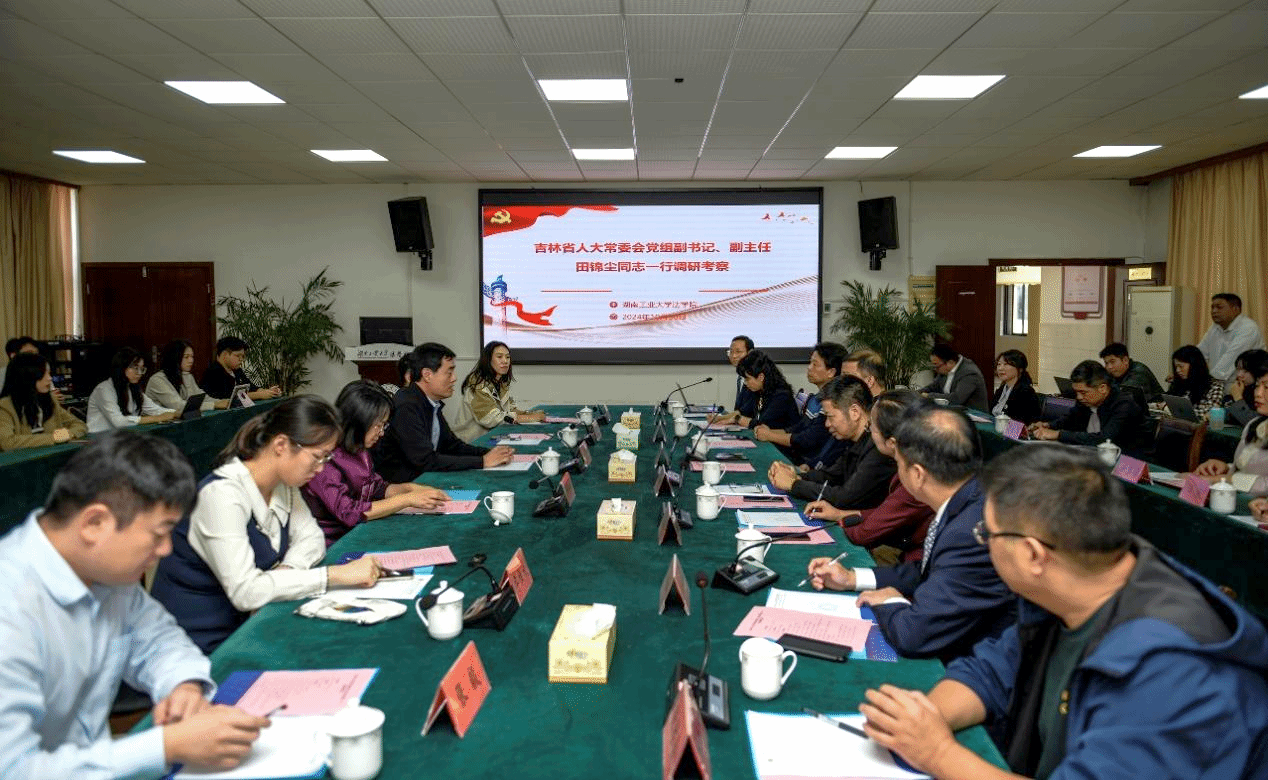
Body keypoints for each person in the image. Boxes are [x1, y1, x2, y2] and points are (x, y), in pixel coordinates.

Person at [859, 445, 1268, 780]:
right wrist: (924, 718)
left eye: (987, 534)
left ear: (1033, 555)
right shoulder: (1075, 584)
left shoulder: (1172, 671)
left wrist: (936, 753)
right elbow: (992, 671)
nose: (982, 543)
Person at [0, 431, 272, 778]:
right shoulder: (11, 609)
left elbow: (158, 639)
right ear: (94, 523)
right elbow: (13, 769)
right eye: (159, 534)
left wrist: (184, 685)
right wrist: (165, 746)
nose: (165, 550)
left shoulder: (106, 575)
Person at [151, 396, 384, 654]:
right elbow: (246, 592)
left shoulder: (284, 485)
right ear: (281, 445)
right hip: (198, 647)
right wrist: (333, 575)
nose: (321, 469)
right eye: (318, 457)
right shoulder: (221, 496)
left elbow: (312, 538)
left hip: (250, 628)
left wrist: (285, 573)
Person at [805, 400, 1014, 661]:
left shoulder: (968, 531)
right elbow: (929, 571)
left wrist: (891, 601)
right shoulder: (968, 498)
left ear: (917, 474)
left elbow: (914, 635)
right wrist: (851, 578)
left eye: (898, 463)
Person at [303, 380, 450, 545]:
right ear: (359, 421)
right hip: (332, 544)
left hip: (359, 532)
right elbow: (348, 512)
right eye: (378, 426)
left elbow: (377, 488)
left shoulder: (360, 448)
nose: (381, 433)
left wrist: (410, 488)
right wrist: (406, 499)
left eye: (384, 426)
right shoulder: (324, 459)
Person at [805, 389, 933, 566]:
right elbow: (887, 512)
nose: (868, 429)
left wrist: (828, 531)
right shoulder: (918, 458)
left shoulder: (917, 476)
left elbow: (864, 534)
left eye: (872, 426)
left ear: (892, 442)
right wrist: (839, 514)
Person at [373, 343, 514, 482]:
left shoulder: (429, 402)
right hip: (402, 487)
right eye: (449, 372)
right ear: (427, 375)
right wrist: (483, 461)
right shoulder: (406, 406)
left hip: (421, 480)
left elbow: (452, 446)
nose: (454, 378)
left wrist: (489, 453)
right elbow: (425, 460)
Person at [769, 376, 895, 512]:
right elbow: (831, 476)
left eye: (830, 416)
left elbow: (844, 497)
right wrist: (796, 475)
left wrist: (794, 484)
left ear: (855, 412)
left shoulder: (879, 446)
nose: (827, 424)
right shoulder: (853, 438)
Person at [1027, 360, 1152, 456]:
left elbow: (1104, 439)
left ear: (1102, 388)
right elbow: (1070, 419)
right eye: (1076, 392)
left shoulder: (1124, 405)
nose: (1079, 397)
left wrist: (1058, 434)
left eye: (1083, 392)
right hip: (1091, 456)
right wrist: (1048, 425)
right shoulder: (1085, 402)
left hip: (1128, 463)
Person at [753, 342, 845, 464]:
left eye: (815, 364)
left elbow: (808, 440)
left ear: (831, 372)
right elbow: (798, 428)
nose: (809, 367)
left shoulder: (833, 405)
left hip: (809, 463)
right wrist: (769, 431)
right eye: (810, 362)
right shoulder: (815, 398)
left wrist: (770, 435)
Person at [1195, 357, 1268, 496]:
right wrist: (1226, 468)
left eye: (1266, 387)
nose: (1258, 393)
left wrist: (1224, 479)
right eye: (1258, 386)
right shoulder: (1255, 425)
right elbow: (1246, 472)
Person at [451, 341, 546, 443]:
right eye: (499, 357)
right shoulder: (477, 384)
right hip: (471, 443)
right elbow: (491, 419)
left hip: (493, 437)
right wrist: (529, 418)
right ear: (488, 360)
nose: (505, 361)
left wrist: (529, 414)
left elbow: (510, 409)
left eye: (507, 357)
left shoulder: (500, 382)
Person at [0, 352, 86, 450]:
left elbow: (80, 425)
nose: (49, 378)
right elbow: (7, 442)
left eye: (49, 373)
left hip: (52, 456)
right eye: (43, 374)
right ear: (27, 377)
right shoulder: (5, 407)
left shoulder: (49, 400)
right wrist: (53, 438)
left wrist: (69, 434)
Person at [86, 348, 177, 433]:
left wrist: (177, 413)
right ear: (122, 367)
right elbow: (119, 422)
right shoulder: (104, 389)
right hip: (98, 439)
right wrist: (157, 418)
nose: (139, 373)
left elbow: (156, 410)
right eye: (135, 368)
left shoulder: (132, 388)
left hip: (121, 437)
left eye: (142, 369)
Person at [717, 349, 799, 430]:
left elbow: (762, 424)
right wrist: (719, 418)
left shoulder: (781, 396)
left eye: (747, 379)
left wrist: (737, 419)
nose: (745, 383)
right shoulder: (759, 391)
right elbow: (744, 412)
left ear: (761, 377)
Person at [1197, 292, 1265, 385]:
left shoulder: (1248, 328)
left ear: (1235, 309)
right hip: (1219, 385)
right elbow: (1199, 354)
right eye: (1212, 307)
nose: (1214, 311)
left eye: (1219, 307)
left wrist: (1205, 383)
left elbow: (1230, 360)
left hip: (1247, 387)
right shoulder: (1215, 328)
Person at [145, 339, 227, 414]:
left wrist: (224, 402)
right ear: (175, 357)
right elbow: (178, 405)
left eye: (192, 357)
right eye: (186, 357)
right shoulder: (157, 380)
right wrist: (214, 405)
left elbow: (202, 397)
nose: (191, 360)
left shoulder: (187, 376)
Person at [200, 336, 281, 402]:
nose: (241, 359)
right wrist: (258, 395)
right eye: (238, 356)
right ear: (224, 355)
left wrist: (268, 391)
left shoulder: (237, 371)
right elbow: (228, 396)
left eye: (243, 356)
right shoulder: (213, 373)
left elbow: (251, 387)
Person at [921, 344, 989, 412]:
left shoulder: (970, 373)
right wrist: (918, 393)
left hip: (974, 415)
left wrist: (928, 396)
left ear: (950, 362)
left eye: (937, 366)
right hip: (953, 412)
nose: (935, 369)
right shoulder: (944, 370)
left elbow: (957, 398)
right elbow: (933, 387)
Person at [1166, 344, 1223, 420]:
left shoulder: (1215, 386)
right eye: (1176, 367)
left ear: (1194, 365)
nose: (1178, 370)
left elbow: (1210, 412)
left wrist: (1172, 410)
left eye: (1181, 366)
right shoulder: (1179, 383)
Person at [1099, 342, 1164, 403]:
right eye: (1106, 363)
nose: (1109, 367)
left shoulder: (1139, 371)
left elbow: (1125, 395)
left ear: (1125, 360)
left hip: (1157, 408)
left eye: (1112, 362)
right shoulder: (1113, 373)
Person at [991, 350, 1041, 424]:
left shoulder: (1025, 392)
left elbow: (1022, 423)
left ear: (1020, 369)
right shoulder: (1001, 390)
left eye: (1006, 364)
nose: (1000, 368)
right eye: (999, 364)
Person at [726, 335, 756, 417]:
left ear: (750, 353)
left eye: (738, 352)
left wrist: (722, 418)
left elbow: (747, 410)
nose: (734, 356)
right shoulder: (740, 375)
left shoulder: (755, 377)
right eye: (731, 352)